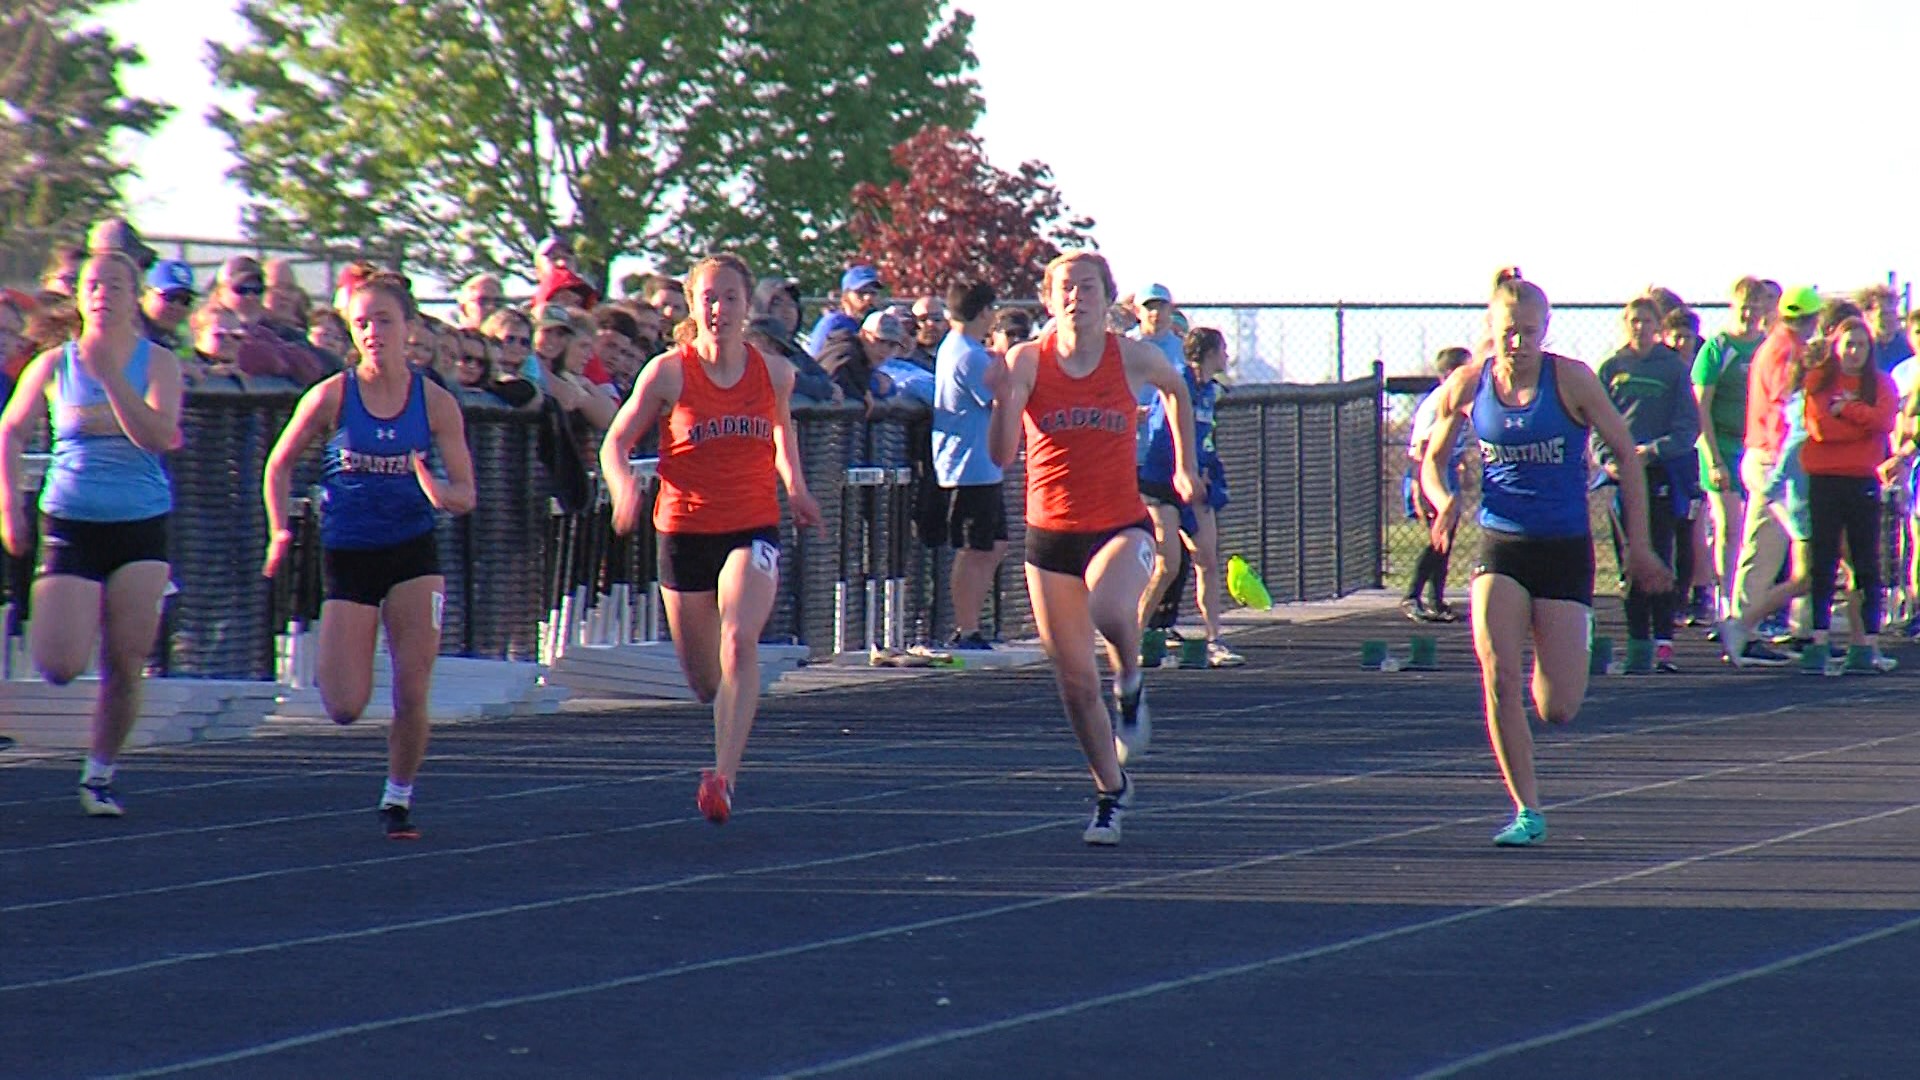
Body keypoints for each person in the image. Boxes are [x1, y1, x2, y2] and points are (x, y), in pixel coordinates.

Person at [1421, 269, 1669, 847]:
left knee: (1558, 707)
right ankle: (1527, 810)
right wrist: (1443, 501)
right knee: (1498, 673)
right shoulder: (1468, 383)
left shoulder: (1573, 382)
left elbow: (1627, 460)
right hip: (1500, 544)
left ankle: (1562, 645)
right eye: (1509, 331)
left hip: (1564, 548)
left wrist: (1638, 545)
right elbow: (1432, 457)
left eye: (1529, 332)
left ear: (1545, 331)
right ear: (1492, 328)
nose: (1518, 342)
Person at [600, 253, 824, 825]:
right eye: (709, 298)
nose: (719, 309)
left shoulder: (773, 373)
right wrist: (624, 487)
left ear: (747, 306)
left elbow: (781, 434)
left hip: (751, 526)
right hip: (683, 531)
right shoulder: (668, 372)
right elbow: (615, 444)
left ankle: (723, 777)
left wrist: (795, 488)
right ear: (693, 306)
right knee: (704, 681)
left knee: (738, 638)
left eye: (730, 298)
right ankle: (721, 742)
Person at [988, 251, 1201, 846]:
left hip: (1120, 525)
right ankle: (1111, 791)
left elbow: (1176, 391)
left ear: (1109, 299)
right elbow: (1003, 454)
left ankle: (1131, 681)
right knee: (1076, 685)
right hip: (1050, 533)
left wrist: (1184, 466)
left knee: (1111, 612)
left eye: (1088, 286)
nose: (1077, 296)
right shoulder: (1026, 360)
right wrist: (1005, 396)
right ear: (1049, 300)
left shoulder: (1131, 357)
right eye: (1066, 288)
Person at [261, 269, 477, 839]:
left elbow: (466, 493)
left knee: (413, 685)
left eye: (384, 319)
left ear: (409, 326)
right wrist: (280, 529)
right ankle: (359, 664)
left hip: (413, 552)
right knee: (344, 706)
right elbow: (278, 465)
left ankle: (398, 796)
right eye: (362, 323)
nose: (373, 332)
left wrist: (438, 491)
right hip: (350, 554)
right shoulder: (333, 394)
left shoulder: (434, 403)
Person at [0, 250, 184, 817]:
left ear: (135, 298)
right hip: (73, 521)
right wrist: (10, 506)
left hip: (141, 524)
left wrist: (112, 381)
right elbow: (9, 431)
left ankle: (100, 771)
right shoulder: (55, 365)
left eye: (116, 285)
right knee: (58, 663)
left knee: (127, 661)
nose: (103, 293)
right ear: (80, 297)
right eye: (93, 285)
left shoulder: (158, 364)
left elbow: (158, 435)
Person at [1594, 297, 1697, 673]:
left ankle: (1664, 643)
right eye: (1633, 320)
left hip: (1659, 475)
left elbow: (1687, 426)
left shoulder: (1672, 367)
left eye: (1646, 320)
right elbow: (1594, 424)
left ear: (1658, 325)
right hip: (1621, 477)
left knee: (1660, 553)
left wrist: (1651, 452)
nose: (1639, 327)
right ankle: (1638, 645)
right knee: (1629, 561)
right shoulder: (1611, 367)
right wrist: (1609, 460)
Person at [1726, 286, 1823, 657]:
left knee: (1774, 545)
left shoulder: (1778, 345)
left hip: (1772, 458)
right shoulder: (1786, 351)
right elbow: (1789, 411)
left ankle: (1800, 628)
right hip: (1774, 460)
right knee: (1772, 545)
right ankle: (1743, 627)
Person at [1137, 327, 1243, 667]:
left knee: (1207, 562)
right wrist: (1186, 469)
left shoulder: (1211, 392)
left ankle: (1215, 640)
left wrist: (1205, 468)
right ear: (1211, 352)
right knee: (1167, 564)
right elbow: (1163, 431)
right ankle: (1133, 634)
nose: (1227, 356)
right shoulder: (1176, 381)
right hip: (1161, 481)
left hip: (1196, 484)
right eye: (1223, 349)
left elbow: (1204, 436)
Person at [1800, 316, 1899, 671]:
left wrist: (1848, 410)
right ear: (1836, 347)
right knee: (1823, 561)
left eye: (1861, 345)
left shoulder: (1881, 384)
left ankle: (1867, 644)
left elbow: (1885, 421)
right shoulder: (1819, 382)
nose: (1854, 352)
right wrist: (1861, 425)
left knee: (1866, 562)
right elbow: (1820, 429)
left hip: (1862, 481)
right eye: (1848, 344)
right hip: (1825, 479)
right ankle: (1819, 639)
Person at [1691, 277, 1769, 632]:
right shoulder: (1717, 349)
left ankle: (1750, 604)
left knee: (1759, 531)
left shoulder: (1767, 347)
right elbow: (1701, 407)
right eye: (1744, 306)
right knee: (1729, 527)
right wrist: (1713, 459)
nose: (1750, 313)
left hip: (1757, 449)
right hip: (1721, 447)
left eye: (1757, 306)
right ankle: (1724, 603)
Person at [932, 280, 1007, 649]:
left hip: (982, 466)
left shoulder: (966, 349)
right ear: (982, 312)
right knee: (974, 549)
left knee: (994, 546)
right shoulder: (968, 355)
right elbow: (1003, 397)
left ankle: (973, 624)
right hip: (968, 468)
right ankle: (966, 629)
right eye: (992, 309)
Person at [1404, 346, 1473, 622]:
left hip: (1448, 472)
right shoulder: (1438, 402)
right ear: (1448, 375)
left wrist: (1463, 464)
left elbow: (1455, 441)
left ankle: (1436, 600)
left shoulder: (1462, 400)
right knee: (1437, 538)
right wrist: (1419, 488)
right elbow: (1421, 448)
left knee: (1447, 538)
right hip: (1428, 474)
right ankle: (1412, 595)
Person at [806, 265, 883, 357]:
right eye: (861, 292)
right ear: (846, 296)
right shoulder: (834, 323)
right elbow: (814, 361)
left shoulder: (877, 326)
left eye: (873, 293)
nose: (868, 298)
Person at [139, 260, 197, 351]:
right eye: (169, 296)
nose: (176, 306)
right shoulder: (122, 333)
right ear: (143, 293)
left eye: (185, 300)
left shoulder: (181, 343)